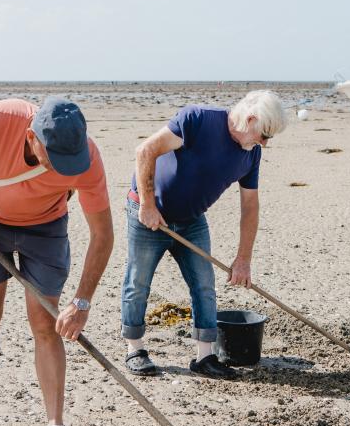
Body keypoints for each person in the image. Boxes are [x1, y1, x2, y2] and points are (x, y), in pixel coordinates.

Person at [0, 97, 113, 426]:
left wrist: (81, 302)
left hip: (46, 228)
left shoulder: (86, 157)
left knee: (45, 323)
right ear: (31, 137)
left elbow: (102, 235)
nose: (63, 171)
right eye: (55, 160)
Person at [121, 90, 287, 378]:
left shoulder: (251, 155)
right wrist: (147, 205)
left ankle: (204, 357)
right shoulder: (197, 120)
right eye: (264, 135)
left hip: (192, 221)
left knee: (204, 285)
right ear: (250, 119)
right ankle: (135, 349)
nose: (265, 144)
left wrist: (243, 259)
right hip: (148, 216)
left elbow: (250, 206)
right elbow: (145, 151)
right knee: (138, 282)